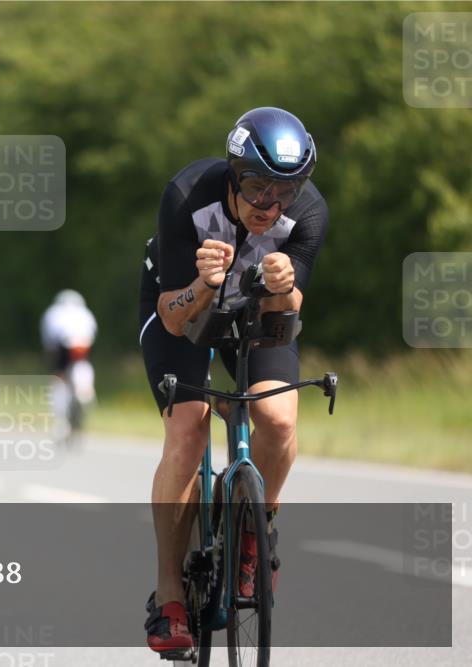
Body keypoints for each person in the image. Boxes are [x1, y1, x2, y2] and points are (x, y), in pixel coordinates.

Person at [138, 107, 327, 653]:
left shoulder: (309, 213)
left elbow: (289, 311)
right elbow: (174, 318)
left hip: (255, 310)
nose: (270, 204)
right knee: (187, 432)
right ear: (233, 173)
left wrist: (284, 288)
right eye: (257, 187)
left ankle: (252, 537)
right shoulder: (186, 197)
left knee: (277, 418)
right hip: (184, 306)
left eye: (286, 190)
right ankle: (170, 596)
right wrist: (203, 284)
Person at [40, 290, 98, 437]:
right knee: (83, 363)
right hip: (84, 344)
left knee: (59, 377)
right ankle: (85, 390)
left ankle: (60, 415)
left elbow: (49, 343)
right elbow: (93, 334)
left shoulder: (52, 312)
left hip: (63, 343)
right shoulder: (85, 313)